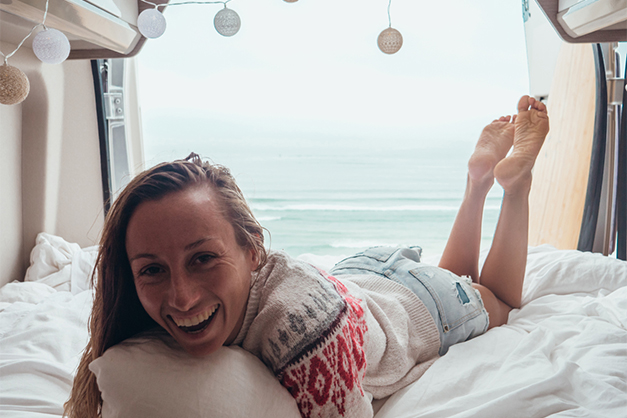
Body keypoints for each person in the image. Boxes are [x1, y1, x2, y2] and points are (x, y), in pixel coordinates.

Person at [64, 95, 549, 418]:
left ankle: (511, 185)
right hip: (357, 277)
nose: (182, 297)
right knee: (448, 275)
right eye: (152, 269)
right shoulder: (156, 306)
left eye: (202, 259)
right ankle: (477, 179)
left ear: (253, 249)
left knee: (498, 299)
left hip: (424, 305)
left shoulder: (305, 334)